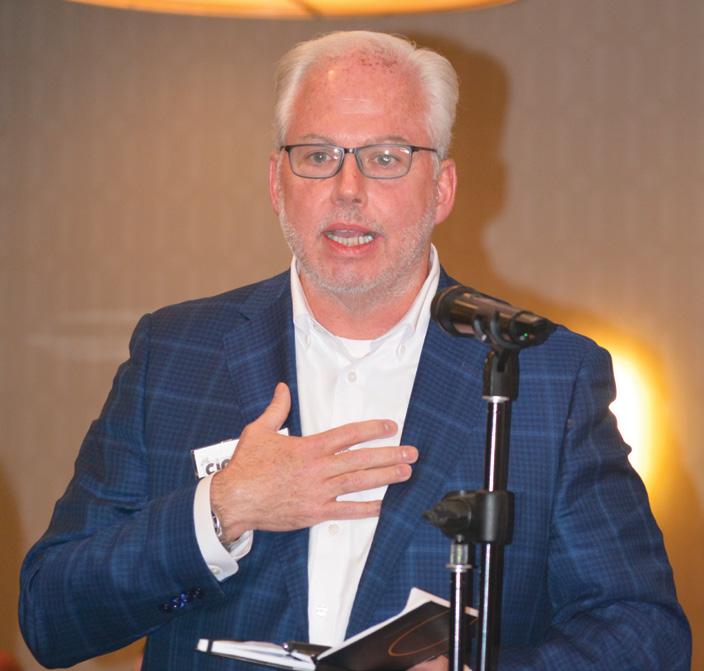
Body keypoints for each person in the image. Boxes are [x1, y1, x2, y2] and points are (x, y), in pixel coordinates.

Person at [19, 31, 690, 671]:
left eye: (386, 157)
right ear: (277, 183)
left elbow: (644, 632)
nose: (347, 189)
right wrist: (220, 508)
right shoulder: (175, 353)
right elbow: (50, 616)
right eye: (318, 156)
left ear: (442, 188)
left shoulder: (544, 373)